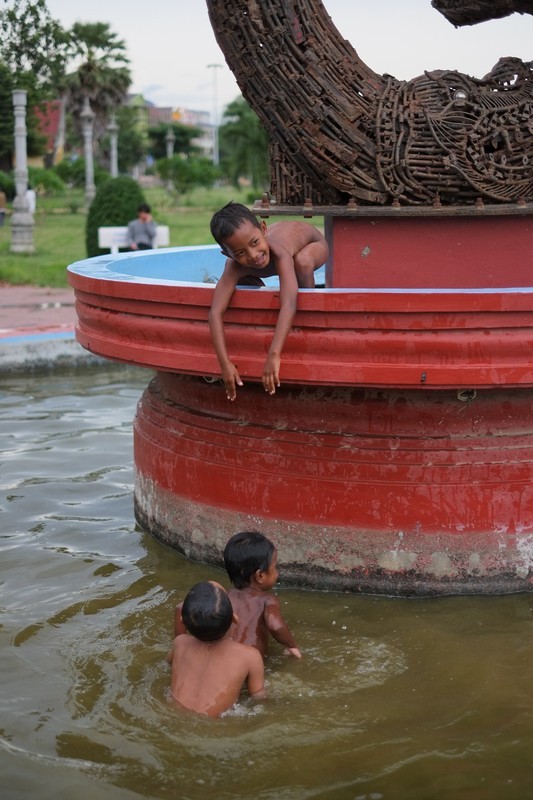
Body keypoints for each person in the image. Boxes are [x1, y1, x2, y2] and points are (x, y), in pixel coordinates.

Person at [209, 202, 329, 400]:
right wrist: (224, 364)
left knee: (302, 262)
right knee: (244, 280)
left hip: (313, 244)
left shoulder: (279, 252)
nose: (253, 255)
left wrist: (274, 355)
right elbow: (215, 313)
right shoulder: (234, 265)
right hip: (275, 235)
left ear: (263, 229)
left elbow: (288, 303)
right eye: (240, 253)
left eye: (255, 242)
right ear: (227, 254)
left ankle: (307, 313)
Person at [168, 581, 266, 718]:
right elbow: (258, 697)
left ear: (182, 621)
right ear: (235, 619)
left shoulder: (179, 643)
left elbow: (169, 663)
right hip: (215, 724)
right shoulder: (250, 656)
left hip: (173, 713)